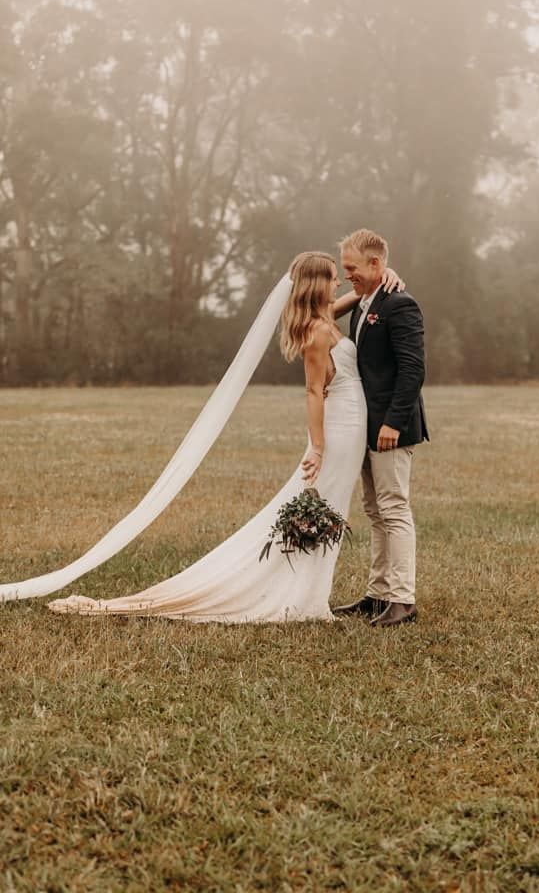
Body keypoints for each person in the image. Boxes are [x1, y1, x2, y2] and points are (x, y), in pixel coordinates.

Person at [41, 252, 404, 623]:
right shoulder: (317, 332)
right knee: (322, 504)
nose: (338, 283)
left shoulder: (324, 320)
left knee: (330, 505)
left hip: (351, 424)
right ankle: (296, 593)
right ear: (315, 285)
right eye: (331, 277)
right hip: (339, 431)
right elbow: (312, 392)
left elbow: (357, 299)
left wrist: (383, 276)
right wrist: (319, 446)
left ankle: (308, 589)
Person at [332, 229, 428, 628]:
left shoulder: (401, 305)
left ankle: (402, 600)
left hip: (391, 426)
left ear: (376, 263)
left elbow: (412, 369)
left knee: (394, 509)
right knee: (375, 512)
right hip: (366, 427)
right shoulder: (366, 302)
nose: (346, 274)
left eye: (352, 268)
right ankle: (377, 594)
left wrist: (392, 421)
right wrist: (362, 289)